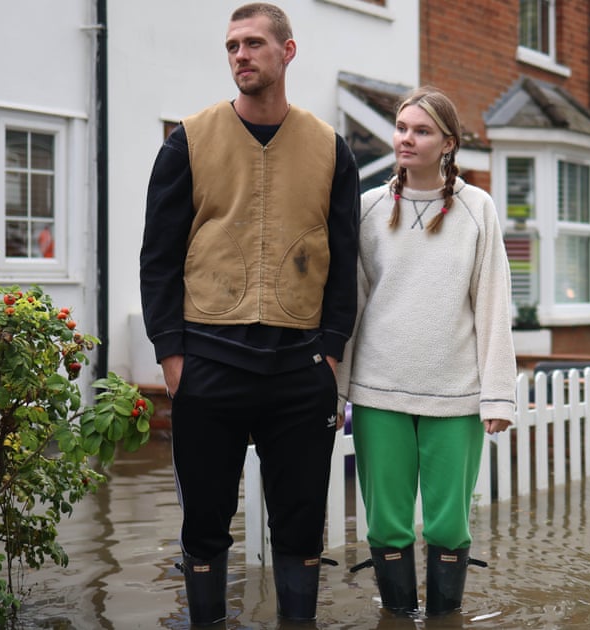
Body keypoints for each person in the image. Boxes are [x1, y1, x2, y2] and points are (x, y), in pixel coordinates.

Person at [138, 2, 359, 624]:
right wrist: (172, 356)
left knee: (300, 527)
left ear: (287, 52)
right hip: (208, 364)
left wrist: (331, 351)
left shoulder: (329, 150)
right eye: (232, 45)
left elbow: (344, 260)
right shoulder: (189, 141)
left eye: (254, 43)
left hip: (299, 369)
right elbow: (158, 257)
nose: (241, 55)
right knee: (203, 527)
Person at [338, 86, 516, 618]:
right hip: (378, 391)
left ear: (448, 143)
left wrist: (498, 396)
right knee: (386, 523)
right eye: (401, 128)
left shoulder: (476, 208)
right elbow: (350, 305)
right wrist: (336, 388)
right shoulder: (368, 208)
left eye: (421, 130)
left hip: (455, 392)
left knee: (447, 524)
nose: (406, 139)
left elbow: (491, 301)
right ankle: (396, 617)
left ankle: (443, 619)